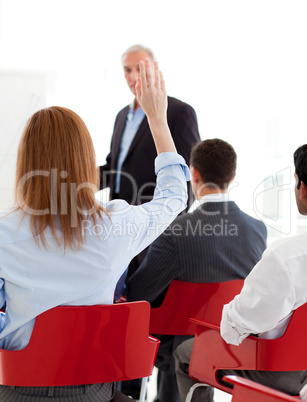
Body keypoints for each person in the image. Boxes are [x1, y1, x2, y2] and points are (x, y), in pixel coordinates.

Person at [0, 59, 190, 401]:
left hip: (15, 391)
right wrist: (157, 120)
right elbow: (174, 196)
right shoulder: (117, 224)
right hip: (94, 392)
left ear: (25, 162)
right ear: (85, 161)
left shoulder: (4, 234)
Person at [126, 139, 267, 402]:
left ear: (194, 175)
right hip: (233, 343)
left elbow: (137, 293)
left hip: (176, 346)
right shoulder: (257, 230)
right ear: (233, 176)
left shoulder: (175, 231)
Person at [174, 144, 307, 401]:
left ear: (302, 188)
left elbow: (240, 323)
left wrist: (225, 321)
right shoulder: (258, 230)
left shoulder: (286, 256)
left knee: (184, 354)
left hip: (277, 369)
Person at [99, 44, 200, 277]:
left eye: (139, 69)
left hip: (153, 232)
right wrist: (73, 178)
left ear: (155, 71)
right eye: (127, 70)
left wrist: (168, 228)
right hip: (117, 232)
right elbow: (114, 168)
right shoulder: (121, 115)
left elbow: (189, 176)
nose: (133, 77)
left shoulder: (178, 112)